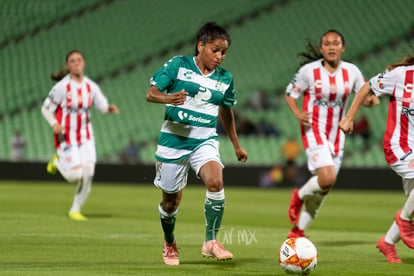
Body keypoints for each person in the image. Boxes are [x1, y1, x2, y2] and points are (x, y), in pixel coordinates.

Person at [146, 22, 248, 266]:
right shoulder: (178, 65)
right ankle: (169, 240)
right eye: (215, 50)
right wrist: (167, 98)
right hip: (173, 140)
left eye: (224, 52)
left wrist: (235, 144)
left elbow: (226, 111)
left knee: (216, 180)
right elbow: (151, 94)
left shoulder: (225, 79)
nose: (220, 57)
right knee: (171, 202)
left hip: (204, 139)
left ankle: (211, 241)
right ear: (201, 46)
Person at [284, 30, 378, 239]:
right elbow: (291, 94)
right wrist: (298, 114)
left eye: (336, 43)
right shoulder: (308, 71)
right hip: (314, 129)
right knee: (326, 178)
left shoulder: (352, 71)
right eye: (327, 43)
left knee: (324, 189)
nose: (331, 46)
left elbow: (364, 95)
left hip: (338, 135)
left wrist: (371, 101)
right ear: (321, 49)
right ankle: (297, 196)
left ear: (343, 47)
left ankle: (297, 231)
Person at [339, 52, 414, 263]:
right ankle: (404, 220)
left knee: (413, 202)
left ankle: (387, 242)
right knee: (409, 212)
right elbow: (367, 87)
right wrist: (349, 118)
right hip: (398, 146)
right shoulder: (401, 75)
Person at [41, 50, 119, 221]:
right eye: (72, 61)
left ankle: (75, 210)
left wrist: (109, 109)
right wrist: (54, 123)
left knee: (88, 174)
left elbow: (101, 105)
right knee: (74, 176)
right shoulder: (62, 87)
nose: (76, 63)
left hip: (86, 137)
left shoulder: (90, 86)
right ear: (68, 65)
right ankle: (56, 161)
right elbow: (45, 108)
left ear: (83, 63)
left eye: (78, 60)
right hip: (66, 136)